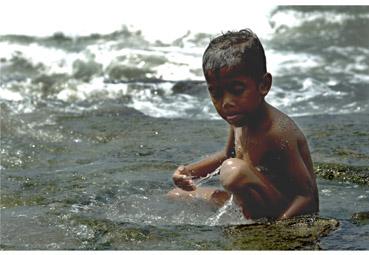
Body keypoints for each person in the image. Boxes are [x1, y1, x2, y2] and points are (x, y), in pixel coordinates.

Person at [168, 29, 319, 220]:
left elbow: (307, 197)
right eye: (216, 93)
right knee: (176, 195)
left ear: (263, 85)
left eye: (237, 90)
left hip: (279, 208)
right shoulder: (239, 119)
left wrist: (280, 226)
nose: (226, 102)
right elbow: (227, 155)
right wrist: (187, 172)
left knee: (233, 170)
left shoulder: (277, 133)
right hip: (247, 201)